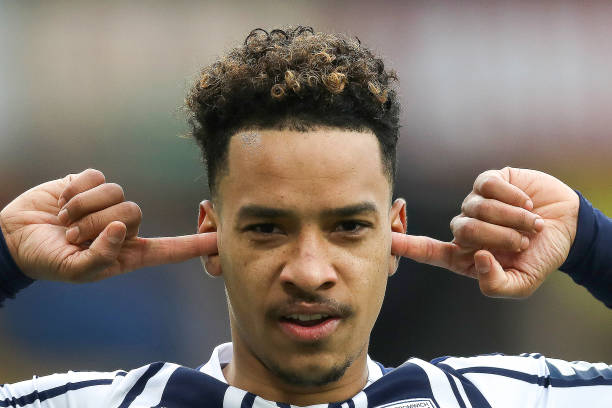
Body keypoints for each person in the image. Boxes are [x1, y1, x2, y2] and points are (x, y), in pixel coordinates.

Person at [0, 26, 611, 407]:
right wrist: (4, 254)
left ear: (394, 233)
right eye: (267, 228)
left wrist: (589, 241)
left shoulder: (506, 399)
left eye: (348, 227)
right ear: (211, 238)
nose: (310, 272)